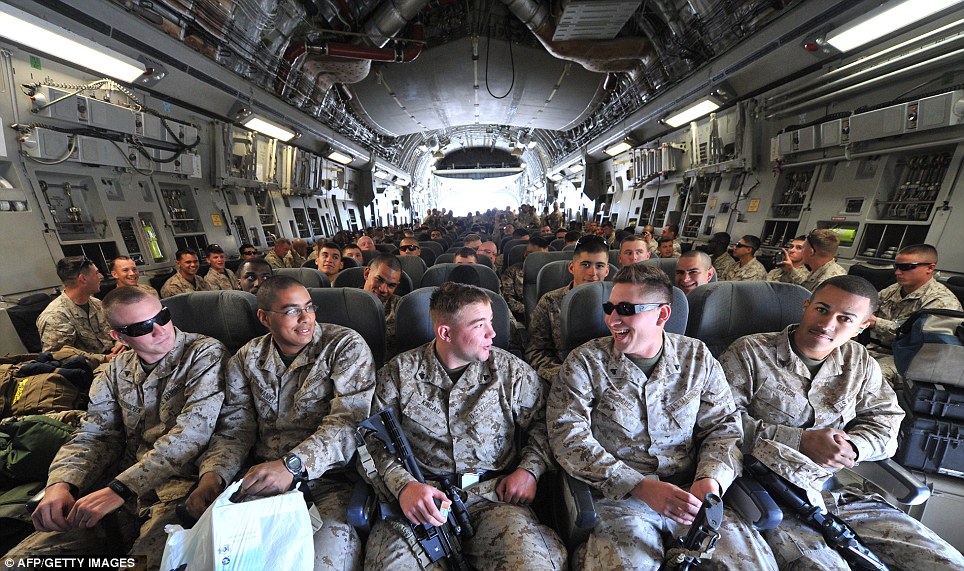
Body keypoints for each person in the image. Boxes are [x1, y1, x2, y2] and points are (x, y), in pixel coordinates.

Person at [720, 275, 964, 570]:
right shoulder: (750, 352)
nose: (827, 324)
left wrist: (853, 446)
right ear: (806, 306)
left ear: (862, 327)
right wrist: (799, 440)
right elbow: (720, 425)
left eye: (845, 319)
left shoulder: (859, 361)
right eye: (822, 310)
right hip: (772, 494)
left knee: (947, 562)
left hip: (838, 493)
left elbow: (886, 422)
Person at [546, 264, 775, 570]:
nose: (612, 319)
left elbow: (723, 427)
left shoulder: (697, 358)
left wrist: (710, 480)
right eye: (609, 307)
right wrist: (638, 485)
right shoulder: (586, 362)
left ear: (662, 315)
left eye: (626, 309)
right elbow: (567, 437)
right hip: (620, 500)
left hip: (692, 494)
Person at [9, 286, 227, 568]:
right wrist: (62, 483)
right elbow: (94, 435)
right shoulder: (113, 371)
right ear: (119, 336)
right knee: (18, 562)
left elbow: (191, 434)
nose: (160, 330)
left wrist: (120, 489)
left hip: (180, 489)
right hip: (117, 488)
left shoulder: (204, 353)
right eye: (142, 328)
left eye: (162, 317)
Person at [362, 282, 566, 571]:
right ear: (446, 332)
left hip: (494, 499)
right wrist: (403, 486)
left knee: (532, 562)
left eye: (491, 322)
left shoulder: (509, 371)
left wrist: (529, 470)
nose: (492, 334)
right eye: (480, 325)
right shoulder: (399, 374)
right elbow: (369, 440)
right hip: (421, 502)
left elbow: (547, 422)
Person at [188, 276, 375, 571]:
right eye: (291, 311)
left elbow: (348, 423)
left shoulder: (343, 346)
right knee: (230, 562)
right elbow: (236, 428)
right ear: (264, 317)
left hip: (330, 483)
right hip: (261, 482)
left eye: (309, 308)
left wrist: (293, 465)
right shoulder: (246, 359)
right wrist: (214, 474)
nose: (305, 319)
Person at [866, 244, 962, 385]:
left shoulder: (941, 302)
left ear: (930, 268)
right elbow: (870, 310)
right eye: (896, 267)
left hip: (909, 360)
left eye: (906, 267)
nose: (898, 272)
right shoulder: (896, 289)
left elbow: (920, 341)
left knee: (870, 377)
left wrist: (876, 323)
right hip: (874, 348)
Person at [526, 235, 610, 382]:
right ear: (572, 268)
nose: (592, 272)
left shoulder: (618, 303)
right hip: (563, 378)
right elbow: (536, 351)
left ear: (607, 270)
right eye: (585, 265)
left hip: (608, 379)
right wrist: (567, 377)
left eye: (599, 266)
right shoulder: (550, 301)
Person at [36, 256, 122, 358]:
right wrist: (104, 359)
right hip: (91, 370)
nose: (101, 276)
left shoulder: (97, 304)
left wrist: (120, 342)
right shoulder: (55, 316)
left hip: (116, 360)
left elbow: (116, 329)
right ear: (83, 279)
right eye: (96, 273)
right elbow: (58, 358)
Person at [363, 254, 403, 359]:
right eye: (379, 280)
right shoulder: (345, 303)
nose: (383, 289)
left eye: (391, 285)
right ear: (367, 274)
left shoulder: (401, 309)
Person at [501, 236, 549, 324]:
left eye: (543, 256)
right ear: (526, 254)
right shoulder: (512, 272)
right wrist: (531, 311)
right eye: (537, 256)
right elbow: (507, 299)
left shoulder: (551, 272)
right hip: (522, 317)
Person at [778, 229, 846, 291]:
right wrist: (790, 270)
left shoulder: (827, 282)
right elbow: (805, 286)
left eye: (802, 248)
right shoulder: (821, 269)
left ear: (811, 252)